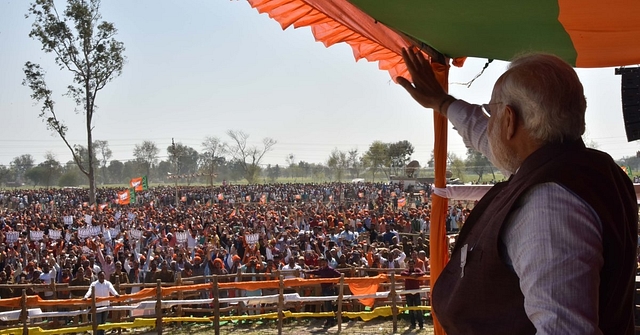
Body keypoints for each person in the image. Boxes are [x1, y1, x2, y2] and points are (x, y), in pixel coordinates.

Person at [398, 48, 638, 334]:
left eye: (492, 113)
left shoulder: (550, 202)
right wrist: (443, 102)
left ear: (509, 120)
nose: (489, 126)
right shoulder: (582, 169)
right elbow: (492, 142)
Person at [305, 257, 341, 328]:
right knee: (326, 305)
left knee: (329, 305)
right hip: (324, 289)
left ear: (327, 263)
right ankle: (329, 320)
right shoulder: (321, 270)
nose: (323, 264)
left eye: (324, 262)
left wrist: (334, 284)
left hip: (329, 289)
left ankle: (331, 320)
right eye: (322, 262)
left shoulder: (331, 270)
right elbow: (315, 272)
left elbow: (339, 276)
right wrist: (306, 271)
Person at [83, 271, 120, 335]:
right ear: (98, 276)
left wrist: (116, 294)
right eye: (100, 275)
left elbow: (112, 289)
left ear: (105, 276)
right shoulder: (94, 284)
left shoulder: (108, 283)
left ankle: (102, 334)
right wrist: (86, 297)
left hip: (106, 305)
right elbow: (90, 291)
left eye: (103, 275)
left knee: (103, 322)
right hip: (97, 306)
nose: (102, 277)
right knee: (98, 322)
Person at [400, 259, 424, 330]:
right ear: (408, 264)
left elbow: (423, 273)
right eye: (410, 264)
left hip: (416, 292)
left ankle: (421, 324)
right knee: (410, 309)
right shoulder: (406, 271)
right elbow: (402, 273)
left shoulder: (417, 270)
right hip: (408, 293)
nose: (411, 265)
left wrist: (416, 274)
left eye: (412, 264)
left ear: (414, 264)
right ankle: (413, 324)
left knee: (418, 309)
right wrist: (410, 275)